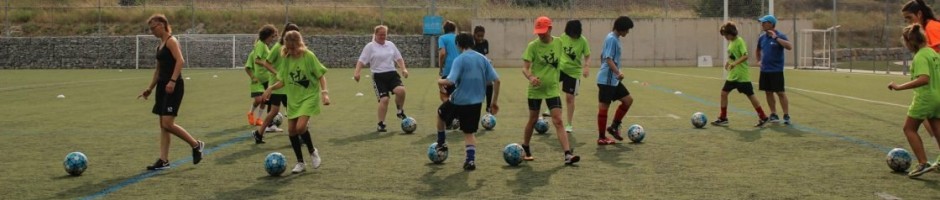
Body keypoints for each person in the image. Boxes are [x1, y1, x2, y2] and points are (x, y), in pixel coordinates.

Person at [137, 14, 204, 170]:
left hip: (173, 86)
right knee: (163, 125)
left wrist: (172, 81)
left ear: (162, 24)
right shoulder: (159, 46)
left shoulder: (171, 41)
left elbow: (180, 61)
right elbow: (158, 70)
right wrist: (149, 88)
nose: (152, 31)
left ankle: (196, 145)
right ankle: (164, 160)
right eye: (150, 28)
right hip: (162, 87)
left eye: (153, 27)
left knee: (168, 123)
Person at [261, 30, 330, 173]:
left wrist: (324, 93)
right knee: (291, 131)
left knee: (300, 127)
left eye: (294, 48)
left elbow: (321, 75)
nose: (292, 51)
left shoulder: (309, 56)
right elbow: (283, 81)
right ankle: (300, 163)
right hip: (293, 98)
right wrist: (271, 88)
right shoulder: (286, 58)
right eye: (289, 48)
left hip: (309, 96)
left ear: (300, 44)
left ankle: (312, 151)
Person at [433, 33, 501, 170]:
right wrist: (494, 102)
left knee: (440, 113)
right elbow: (497, 80)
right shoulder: (483, 59)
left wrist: (439, 81)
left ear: (458, 45)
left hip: (459, 101)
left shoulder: (460, 59)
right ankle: (470, 161)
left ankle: (441, 143)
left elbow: (450, 80)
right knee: (469, 132)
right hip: (476, 103)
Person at [520, 16, 580, 165]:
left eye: (543, 31)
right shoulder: (533, 46)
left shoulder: (559, 42)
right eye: (538, 32)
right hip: (535, 90)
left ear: (550, 29)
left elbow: (575, 42)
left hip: (552, 89)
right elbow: (525, 68)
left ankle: (567, 155)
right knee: (533, 119)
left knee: (558, 121)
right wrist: (531, 77)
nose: (540, 34)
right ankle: (526, 147)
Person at [888, 24, 940, 177]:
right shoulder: (933, 53)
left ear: (910, 42)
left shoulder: (921, 56)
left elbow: (924, 79)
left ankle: (923, 163)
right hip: (938, 97)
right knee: (937, 130)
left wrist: (898, 87)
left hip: (926, 98)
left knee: (909, 129)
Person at [710, 22, 770, 127]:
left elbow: (745, 56)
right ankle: (723, 117)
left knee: (750, 95)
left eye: (725, 35)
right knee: (724, 93)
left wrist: (734, 64)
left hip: (742, 75)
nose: (725, 37)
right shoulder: (731, 42)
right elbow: (733, 56)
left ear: (731, 33)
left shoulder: (739, 41)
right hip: (733, 75)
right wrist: (728, 63)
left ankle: (763, 117)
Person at [354, 25, 410, 132]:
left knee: (401, 91)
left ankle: (400, 111)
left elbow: (399, 58)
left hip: (392, 74)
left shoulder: (390, 45)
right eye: (380, 35)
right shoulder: (370, 47)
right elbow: (361, 61)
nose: (383, 36)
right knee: (384, 100)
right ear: (375, 35)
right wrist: (357, 72)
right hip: (378, 76)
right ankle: (381, 123)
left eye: (384, 34)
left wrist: (404, 69)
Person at [254, 23, 301, 144]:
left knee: (285, 110)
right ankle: (296, 136)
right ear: (286, 33)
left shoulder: (292, 48)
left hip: (287, 84)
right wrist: (277, 74)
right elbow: (266, 63)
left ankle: (259, 133)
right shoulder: (277, 47)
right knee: (282, 111)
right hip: (277, 85)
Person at [902, 0, 940, 138]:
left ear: (919, 13)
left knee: (925, 114)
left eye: (910, 18)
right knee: (928, 116)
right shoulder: (925, 30)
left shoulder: (933, 27)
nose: (908, 23)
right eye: (906, 19)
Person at [595, 16, 635, 145]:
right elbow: (608, 58)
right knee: (604, 108)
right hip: (607, 80)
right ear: (622, 28)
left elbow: (602, 55)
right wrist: (618, 72)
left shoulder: (613, 38)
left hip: (612, 80)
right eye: (627, 29)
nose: (628, 32)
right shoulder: (612, 39)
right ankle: (601, 137)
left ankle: (613, 127)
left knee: (628, 100)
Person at [755, 15, 793, 126]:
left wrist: (775, 38)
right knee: (768, 92)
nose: (762, 24)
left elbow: (789, 46)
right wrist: (758, 61)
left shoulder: (780, 35)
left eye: (764, 22)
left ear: (771, 24)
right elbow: (757, 50)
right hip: (765, 70)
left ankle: (786, 115)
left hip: (776, 70)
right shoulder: (761, 37)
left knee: (780, 92)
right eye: (761, 22)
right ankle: (773, 113)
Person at [558, 19, 591, 133]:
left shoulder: (583, 41)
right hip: (560, 68)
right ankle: (550, 108)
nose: (572, 35)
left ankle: (569, 124)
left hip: (574, 72)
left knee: (569, 98)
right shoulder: (563, 37)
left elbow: (587, 55)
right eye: (570, 33)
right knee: (549, 83)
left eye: (574, 33)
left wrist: (586, 67)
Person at [244, 25, 277, 127]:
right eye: (272, 37)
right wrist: (253, 76)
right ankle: (250, 112)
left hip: (266, 78)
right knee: (259, 100)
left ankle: (259, 119)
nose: (273, 39)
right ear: (266, 36)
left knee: (265, 100)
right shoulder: (259, 46)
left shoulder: (265, 47)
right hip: (257, 80)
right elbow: (251, 65)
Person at [472, 25, 496, 114]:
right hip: (473, 68)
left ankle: (488, 106)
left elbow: (485, 55)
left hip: (483, 66)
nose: (481, 38)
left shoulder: (485, 42)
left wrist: (488, 62)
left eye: (482, 35)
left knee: (489, 84)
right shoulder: (471, 43)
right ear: (474, 34)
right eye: (478, 36)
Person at [438, 20, 459, 103]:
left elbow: (442, 53)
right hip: (460, 67)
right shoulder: (459, 37)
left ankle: (448, 110)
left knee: (444, 94)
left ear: (444, 30)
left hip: (448, 68)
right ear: (454, 29)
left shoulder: (442, 38)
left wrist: (440, 67)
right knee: (457, 91)